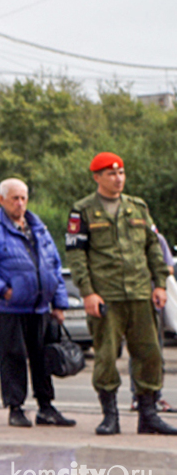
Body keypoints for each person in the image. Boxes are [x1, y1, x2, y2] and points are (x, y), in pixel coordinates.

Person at [65, 152, 177, 435]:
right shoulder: (83, 210)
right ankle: (110, 415)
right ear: (97, 177)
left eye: (121, 173)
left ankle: (148, 414)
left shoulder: (137, 207)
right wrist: (88, 292)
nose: (118, 179)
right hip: (107, 296)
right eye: (111, 174)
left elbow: (153, 246)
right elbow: (76, 256)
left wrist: (160, 283)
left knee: (150, 354)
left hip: (140, 293)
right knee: (105, 356)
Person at [0, 178, 76, 428]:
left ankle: (46, 407)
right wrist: (4, 291)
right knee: (13, 358)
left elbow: (54, 267)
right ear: (2, 200)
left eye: (23, 198)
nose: (20, 203)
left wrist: (59, 304)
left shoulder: (39, 229)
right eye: (14, 198)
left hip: (40, 307)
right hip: (12, 308)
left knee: (43, 359)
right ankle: (15, 408)